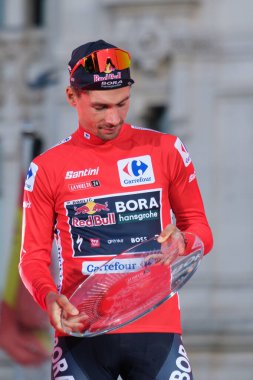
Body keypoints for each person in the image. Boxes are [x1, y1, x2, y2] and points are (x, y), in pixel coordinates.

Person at [19, 39, 213, 380]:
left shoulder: (166, 150)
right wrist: (48, 298)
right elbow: (31, 258)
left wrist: (184, 240)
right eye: (100, 107)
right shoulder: (48, 168)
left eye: (122, 104)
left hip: (157, 330)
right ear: (72, 97)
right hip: (82, 334)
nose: (113, 118)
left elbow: (199, 227)